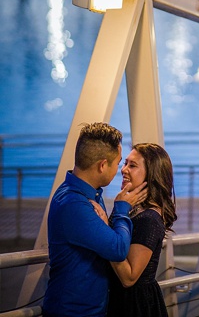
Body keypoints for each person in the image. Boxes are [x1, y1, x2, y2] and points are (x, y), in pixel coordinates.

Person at [42, 122, 148, 317]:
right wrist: (122, 208)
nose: (120, 169)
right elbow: (117, 249)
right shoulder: (74, 203)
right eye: (118, 163)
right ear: (102, 165)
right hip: (73, 312)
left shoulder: (86, 195)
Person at [103, 143, 178, 317]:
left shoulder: (149, 219)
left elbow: (129, 278)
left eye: (132, 165)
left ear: (152, 174)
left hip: (134, 306)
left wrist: (105, 233)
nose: (124, 169)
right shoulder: (131, 207)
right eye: (125, 163)